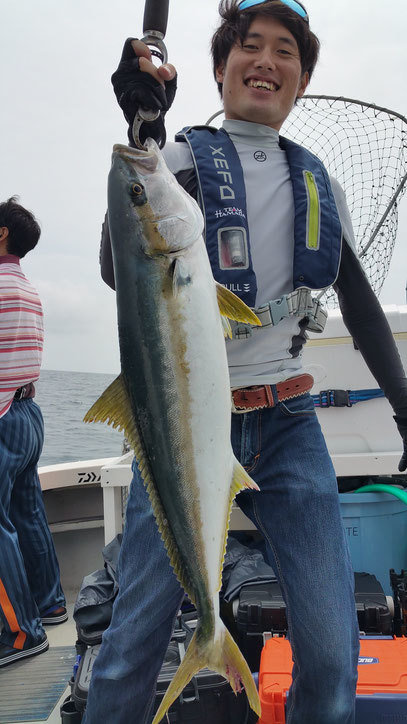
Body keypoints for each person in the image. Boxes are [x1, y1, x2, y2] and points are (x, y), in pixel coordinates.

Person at [84, 1, 407, 722]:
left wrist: (405, 406)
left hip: (289, 424)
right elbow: (119, 267)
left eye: (284, 50)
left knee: (331, 650)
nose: (265, 59)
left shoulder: (317, 179)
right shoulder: (179, 160)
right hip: (180, 429)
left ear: (300, 79)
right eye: (249, 46)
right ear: (220, 68)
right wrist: (147, 126)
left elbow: (356, 305)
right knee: (133, 640)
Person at [0, 197, 67, 667]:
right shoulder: (26, 288)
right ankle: (51, 603)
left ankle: (22, 635)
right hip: (28, 415)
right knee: (28, 515)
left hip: (1, 416)